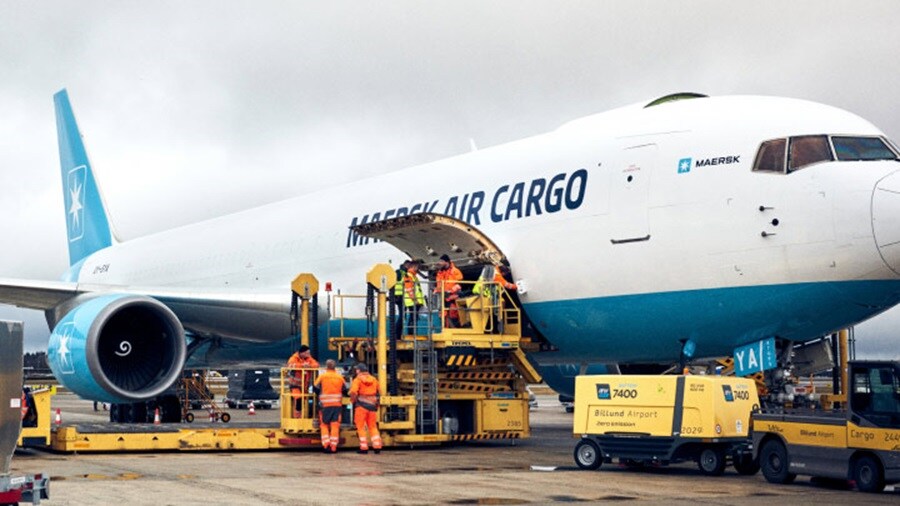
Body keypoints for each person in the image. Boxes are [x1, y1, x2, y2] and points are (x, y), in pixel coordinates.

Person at [313, 359, 347, 453]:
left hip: (325, 405)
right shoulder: (340, 377)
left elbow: (315, 388)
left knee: (324, 425)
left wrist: (319, 395)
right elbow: (345, 390)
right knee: (335, 425)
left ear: (326, 366)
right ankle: (333, 447)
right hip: (337, 405)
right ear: (335, 367)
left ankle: (326, 445)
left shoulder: (322, 376)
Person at [349, 363, 382, 454]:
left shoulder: (358, 379)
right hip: (372, 407)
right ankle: (377, 446)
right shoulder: (374, 379)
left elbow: (353, 392)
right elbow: (379, 392)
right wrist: (376, 404)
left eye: (356, 370)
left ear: (359, 370)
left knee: (360, 427)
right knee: (373, 426)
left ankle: (364, 447)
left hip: (361, 407)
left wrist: (352, 401)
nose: (356, 371)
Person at [286, 345, 319, 418]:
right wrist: (302, 366)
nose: (309, 354)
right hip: (295, 385)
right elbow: (290, 365)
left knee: (303, 401)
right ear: (302, 353)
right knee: (298, 399)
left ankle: (302, 417)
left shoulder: (308, 358)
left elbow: (316, 364)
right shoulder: (294, 358)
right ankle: (297, 418)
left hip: (304, 386)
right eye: (307, 353)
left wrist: (309, 366)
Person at [434, 254, 463, 327]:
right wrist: (436, 290)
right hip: (443, 297)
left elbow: (459, 284)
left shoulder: (455, 271)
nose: (439, 263)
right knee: (443, 315)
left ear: (446, 262)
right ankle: (446, 330)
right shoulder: (440, 272)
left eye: (441, 261)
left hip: (452, 296)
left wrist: (450, 291)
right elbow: (439, 284)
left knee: (453, 314)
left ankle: (455, 331)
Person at [401, 260, 425, 335]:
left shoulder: (413, 276)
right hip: (412, 302)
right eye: (417, 267)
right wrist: (415, 299)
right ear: (414, 267)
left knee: (414, 318)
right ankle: (411, 334)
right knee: (412, 318)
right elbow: (409, 289)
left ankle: (412, 333)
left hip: (415, 301)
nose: (418, 269)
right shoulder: (408, 276)